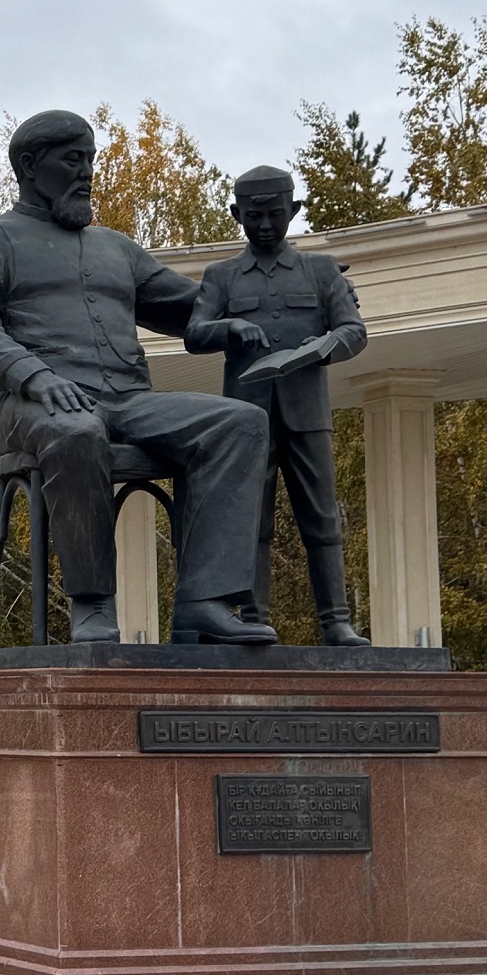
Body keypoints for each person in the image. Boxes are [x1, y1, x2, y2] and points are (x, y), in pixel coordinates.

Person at [0, 109, 276, 644]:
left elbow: (189, 306)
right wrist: (33, 375)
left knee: (239, 423)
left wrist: (273, 293)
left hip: (128, 402)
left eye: (91, 160)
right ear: (29, 165)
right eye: (73, 160)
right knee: (77, 432)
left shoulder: (115, 247)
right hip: (34, 405)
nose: (87, 172)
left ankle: (204, 604)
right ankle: (93, 604)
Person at [187, 165, 370, 645]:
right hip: (246, 422)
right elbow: (194, 333)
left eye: (273, 215)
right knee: (251, 522)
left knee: (323, 518)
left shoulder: (322, 269)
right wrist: (229, 328)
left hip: (307, 416)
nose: (264, 225)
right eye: (253, 216)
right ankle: (253, 617)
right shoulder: (221, 276)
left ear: (293, 211)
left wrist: (316, 350)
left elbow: (353, 330)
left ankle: (336, 622)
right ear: (236, 215)